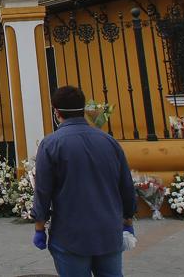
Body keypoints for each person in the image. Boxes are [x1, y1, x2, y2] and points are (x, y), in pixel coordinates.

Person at [32, 85, 136, 277]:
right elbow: (126, 185)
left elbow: (43, 190)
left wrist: (40, 226)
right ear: (83, 108)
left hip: (70, 234)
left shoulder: (51, 144)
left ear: (56, 111)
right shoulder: (109, 141)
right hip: (108, 231)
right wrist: (127, 219)